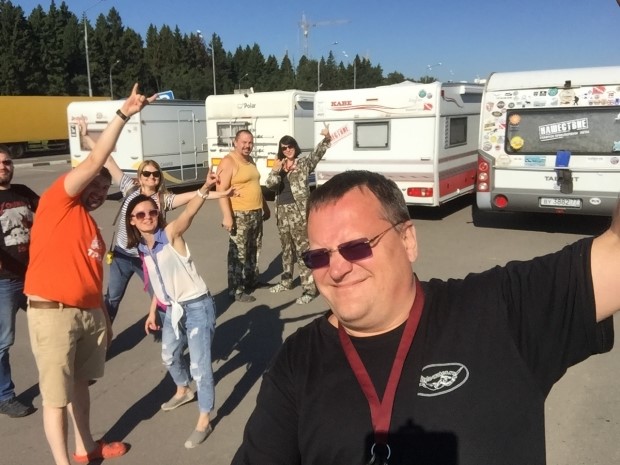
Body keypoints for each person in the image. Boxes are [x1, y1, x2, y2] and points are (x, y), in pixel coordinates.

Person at [232, 170, 620, 465]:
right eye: (319, 256)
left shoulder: (502, 310)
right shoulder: (296, 362)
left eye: (356, 247)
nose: (336, 269)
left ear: (408, 240)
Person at [24, 84, 154, 465]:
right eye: (94, 183)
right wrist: (124, 114)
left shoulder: (92, 230)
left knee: (81, 387)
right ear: (80, 178)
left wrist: (104, 320)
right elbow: (98, 159)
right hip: (53, 313)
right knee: (55, 398)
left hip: (87, 316)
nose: (98, 191)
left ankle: (86, 449)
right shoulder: (58, 200)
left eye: (103, 188)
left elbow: (93, 281)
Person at [125, 174, 233, 449]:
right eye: (141, 214)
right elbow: (158, 282)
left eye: (152, 212)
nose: (148, 217)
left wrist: (204, 189)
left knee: (200, 366)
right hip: (171, 309)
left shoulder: (170, 234)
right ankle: (183, 390)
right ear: (132, 221)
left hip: (197, 307)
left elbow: (189, 213)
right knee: (169, 355)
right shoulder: (143, 248)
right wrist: (153, 310)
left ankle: (204, 419)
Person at [76, 120, 199, 324]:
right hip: (121, 256)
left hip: (147, 258)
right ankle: (103, 335)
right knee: (112, 298)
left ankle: (173, 335)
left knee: (161, 298)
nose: (151, 177)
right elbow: (107, 159)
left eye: (155, 174)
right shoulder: (129, 188)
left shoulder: (163, 200)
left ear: (159, 178)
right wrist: (86, 136)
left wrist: (213, 190)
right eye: (146, 174)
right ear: (140, 177)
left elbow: (192, 196)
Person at [264, 126, 331, 304]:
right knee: (286, 250)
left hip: (298, 214)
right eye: (284, 148)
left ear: (295, 146)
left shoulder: (303, 164)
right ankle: (286, 282)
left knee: (303, 251)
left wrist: (326, 138)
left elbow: (317, 154)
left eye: (290, 146)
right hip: (282, 213)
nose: (288, 150)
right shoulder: (279, 166)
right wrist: (276, 170)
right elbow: (270, 185)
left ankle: (309, 289)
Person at [0, 147, 38, 418]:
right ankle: (4, 396)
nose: (4, 166)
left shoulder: (23, 192)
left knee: (50, 327)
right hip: (4, 283)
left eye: (7, 162)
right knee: (3, 342)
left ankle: (64, 377)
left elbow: (51, 213)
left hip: (33, 276)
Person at [216, 129, 270, 303]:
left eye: (250, 142)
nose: (247, 146)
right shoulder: (228, 161)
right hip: (239, 214)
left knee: (254, 249)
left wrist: (265, 207)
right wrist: (227, 216)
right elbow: (221, 191)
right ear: (235, 142)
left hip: (255, 212)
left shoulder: (250, 160)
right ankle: (236, 289)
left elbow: (255, 185)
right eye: (244, 142)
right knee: (238, 253)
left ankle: (251, 280)